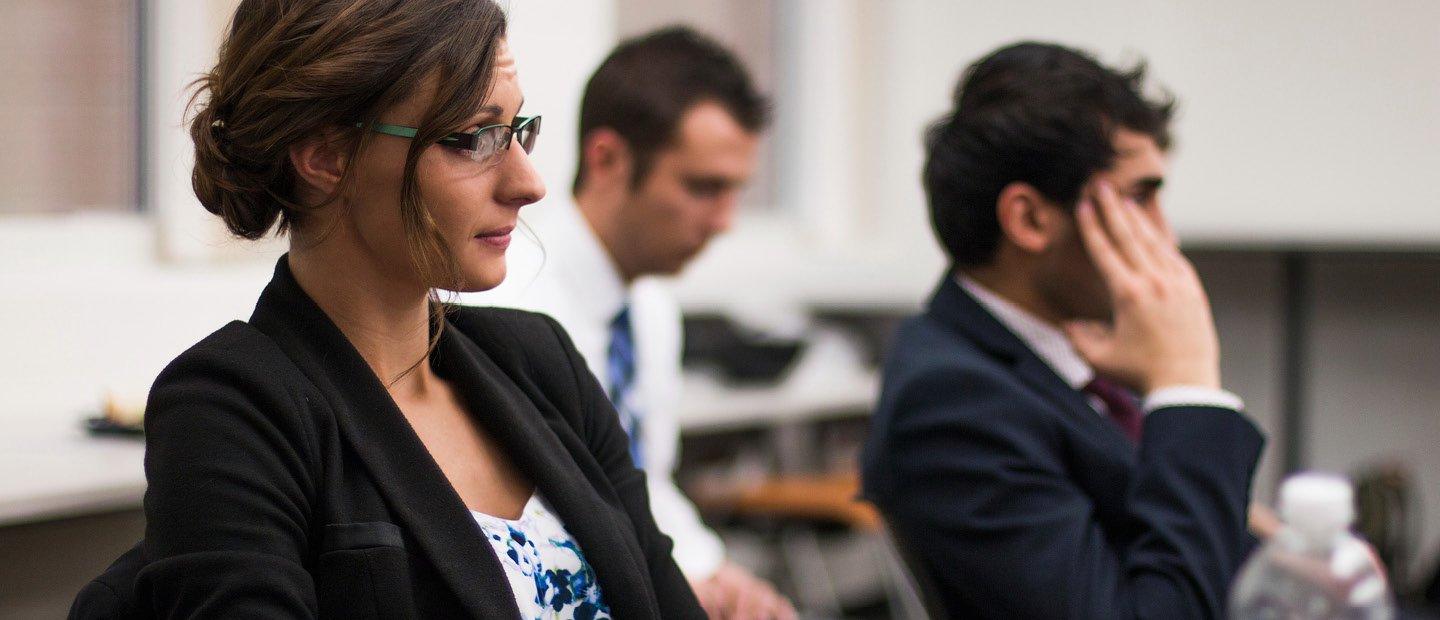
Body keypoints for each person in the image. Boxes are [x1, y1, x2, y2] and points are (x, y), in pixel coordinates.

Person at [69, 1, 704, 617]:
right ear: (325, 157)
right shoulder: (232, 409)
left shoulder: (543, 365)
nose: (528, 183)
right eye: (471, 139)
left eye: (517, 131)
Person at [861, 42, 1266, 619]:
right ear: (1029, 219)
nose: (1164, 235)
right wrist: (1187, 386)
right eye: (1139, 198)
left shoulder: (1059, 351)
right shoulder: (954, 404)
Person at [459, 26, 796, 620]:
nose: (724, 222)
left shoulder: (649, 306)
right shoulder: (502, 302)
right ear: (607, 158)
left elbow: (643, 483)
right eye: (703, 188)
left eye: (735, 191)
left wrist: (712, 571)